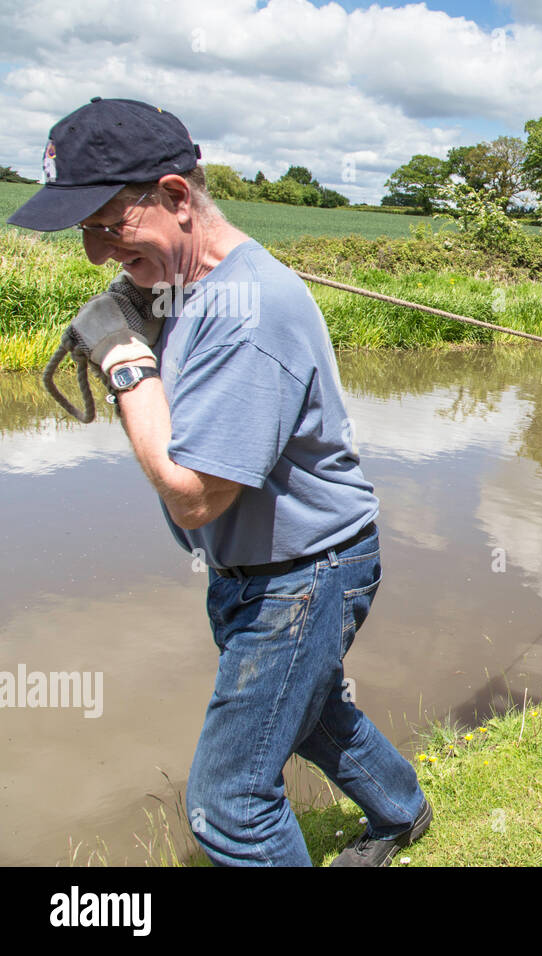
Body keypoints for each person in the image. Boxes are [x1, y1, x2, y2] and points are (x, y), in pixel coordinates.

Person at [8, 97, 429, 866]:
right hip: (263, 566)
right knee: (312, 715)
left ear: (174, 197)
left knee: (228, 802)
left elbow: (196, 493)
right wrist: (149, 304)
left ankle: (397, 814)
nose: (97, 256)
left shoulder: (250, 309)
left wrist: (123, 358)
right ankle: (404, 813)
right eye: (86, 233)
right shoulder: (195, 287)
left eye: (108, 225)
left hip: (303, 575)